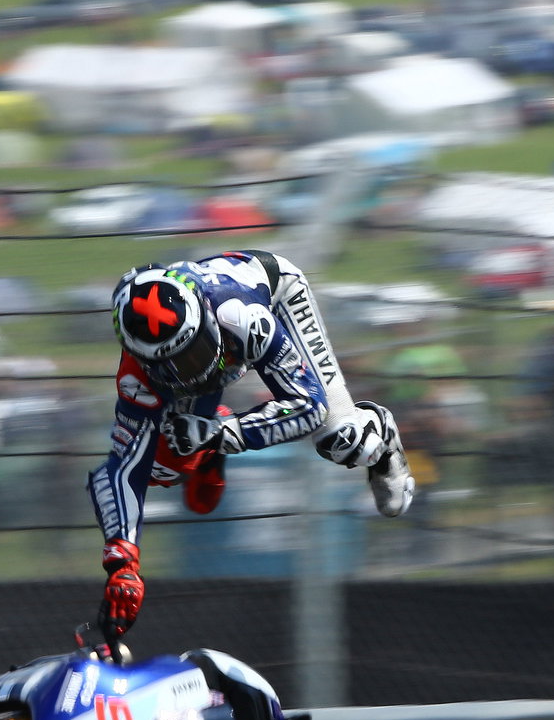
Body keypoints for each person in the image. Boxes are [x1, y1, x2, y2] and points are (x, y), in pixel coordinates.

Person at [86, 250, 415, 637]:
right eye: (174, 364)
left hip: (276, 296)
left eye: (194, 352)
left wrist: (221, 435)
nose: (193, 369)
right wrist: (122, 563)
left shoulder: (241, 315)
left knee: (341, 440)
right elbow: (121, 470)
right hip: (215, 338)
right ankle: (209, 441)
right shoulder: (135, 375)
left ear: (204, 319)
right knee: (161, 467)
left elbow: (307, 407)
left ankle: (379, 427)